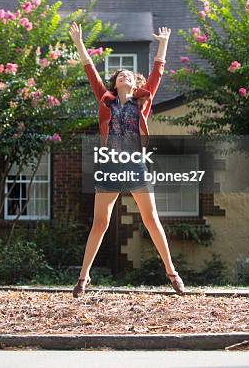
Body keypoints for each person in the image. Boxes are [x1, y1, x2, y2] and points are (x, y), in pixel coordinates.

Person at [68, 21, 185, 297]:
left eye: (128, 76)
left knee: (151, 218)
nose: (124, 77)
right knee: (100, 223)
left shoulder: (142, 100)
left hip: (135, 165)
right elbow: (90, 71)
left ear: (134, 83)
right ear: (115, 83)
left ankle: (172, 273)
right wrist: (78, 43)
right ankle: (83, 279)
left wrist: (163, 44)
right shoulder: (105, 99)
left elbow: (157, 72)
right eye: (120, 76)